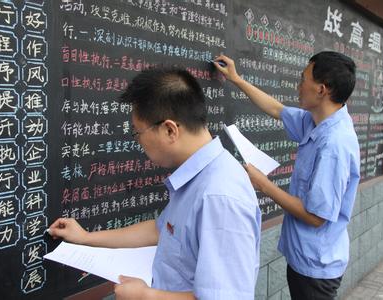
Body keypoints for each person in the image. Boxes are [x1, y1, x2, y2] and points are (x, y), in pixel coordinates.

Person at [48, 67, 261, 300]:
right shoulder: (199, 178)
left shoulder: (219, 196)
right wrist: (86, 238)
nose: (138, 142)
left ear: (170, 130)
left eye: (137, 133)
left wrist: (145, 296)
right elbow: (161, 229)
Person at [213, 51, 360, 299]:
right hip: (305, 255)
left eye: (303, 80)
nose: (298, 86)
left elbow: (316, 217)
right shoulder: (317, 121)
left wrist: (263, 184)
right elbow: (277, 109)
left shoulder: (334, 144)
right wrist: (236, 79)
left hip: (316, 266)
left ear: (322, 90)